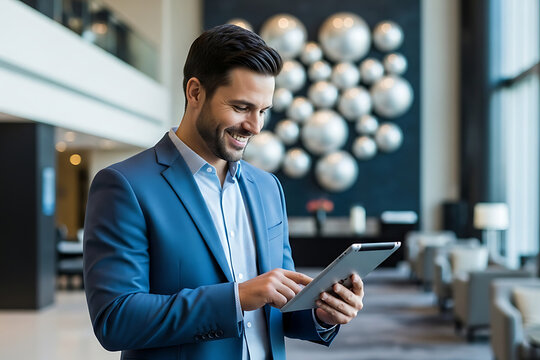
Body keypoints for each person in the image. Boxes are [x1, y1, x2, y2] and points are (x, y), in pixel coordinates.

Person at [83, 24, 364, 360]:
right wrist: (236, 297)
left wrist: (322, 313)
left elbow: (277, 306)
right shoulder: (125, 185)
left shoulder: (267, 188)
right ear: (195, 92)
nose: (255, 126)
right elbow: (116, 320)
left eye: (263, 111)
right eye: (242, 107)